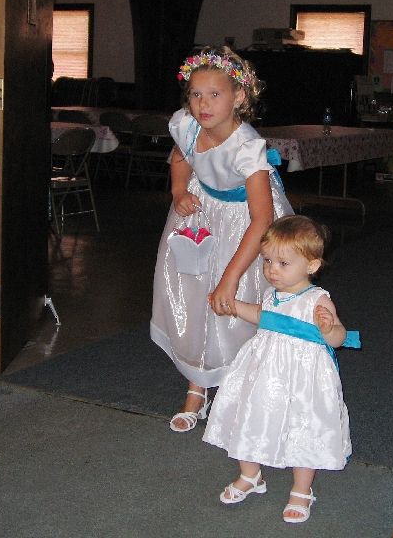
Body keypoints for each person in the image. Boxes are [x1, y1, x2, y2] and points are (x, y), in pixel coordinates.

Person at [150, 46, 294, 433]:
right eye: (196, 94)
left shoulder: (248, 147)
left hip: (247, 222)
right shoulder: (186, 124)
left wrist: (230, 276)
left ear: (239, 98)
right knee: (195, 296)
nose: (203, 104)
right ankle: (197, 388)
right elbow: (181, 154)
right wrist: (179, 192)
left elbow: (261, 218)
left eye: (215, 94)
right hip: (202, 211)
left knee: (234, 304)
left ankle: (240, 393)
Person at [202, 215, 360, 524]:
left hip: (303, 377)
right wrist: (233, 305)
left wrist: (328, 328)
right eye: (267, 261)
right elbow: (264, 316)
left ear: (311, 266)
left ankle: (302, 489)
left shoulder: (317, 299)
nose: (272, 270)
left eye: (283, 263)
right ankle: (250, 475)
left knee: (303, 425)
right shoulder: (271, 294)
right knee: (249, 415)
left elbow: (340, 338)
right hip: (264, 370)